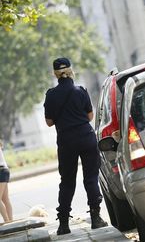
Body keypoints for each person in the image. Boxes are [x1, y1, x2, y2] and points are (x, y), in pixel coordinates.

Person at [43, 57, 107, 235]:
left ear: (55, 74)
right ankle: (96, 218)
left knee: (67, 182)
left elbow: (49, 122)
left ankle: (63, 224)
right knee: (91, 178)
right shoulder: (80, 91)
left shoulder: (51, 95)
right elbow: (90, 117)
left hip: (66, 141)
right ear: (71, 71)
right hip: (86, 138)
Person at [0, 141, 12, 223]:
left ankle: (7, 222)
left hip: (0, 170)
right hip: (4, 169)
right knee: (5, 199)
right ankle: (11, 221)